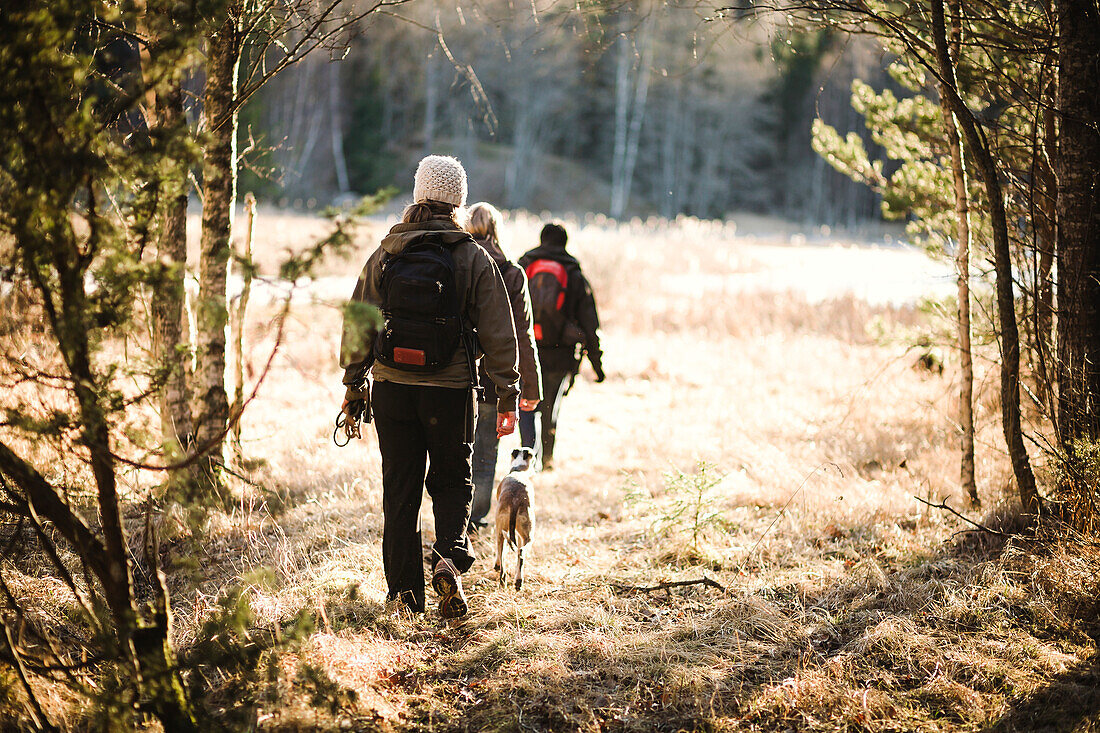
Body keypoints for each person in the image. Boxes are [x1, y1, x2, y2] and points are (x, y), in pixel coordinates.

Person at [339, 155, 520, 618]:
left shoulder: (387, 252)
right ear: (457, 200)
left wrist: (353, 383)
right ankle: (447, 559)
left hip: (392, 388)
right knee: (451, 480)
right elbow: (501, 333)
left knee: (400, 490)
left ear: (418, 194)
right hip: (450, 389)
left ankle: (404, 594)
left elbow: (358, 321)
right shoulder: (473, 256)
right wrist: (507, 396)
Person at [465, 202, 542, 531]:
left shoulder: (458, 263)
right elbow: (523, 335)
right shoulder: (512, 272)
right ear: (497, 229)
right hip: (496, 381)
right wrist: (532, 386)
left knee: (456, 451)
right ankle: (476, 517)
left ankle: (453, 520)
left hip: (457, 374)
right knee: (485, 454)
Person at [518, 222, 604, 470]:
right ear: (565, 243)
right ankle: (546, 460)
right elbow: (590, 324)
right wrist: (598, 367)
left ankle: (527, 458)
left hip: (525, 349)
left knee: (526, 405)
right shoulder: (574, 274)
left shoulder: (523, 266)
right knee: (549, 406)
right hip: (560, 354)